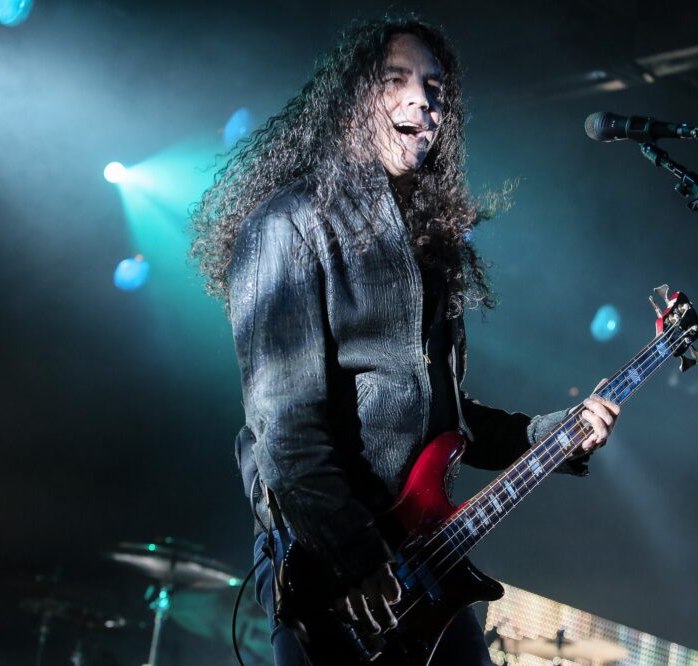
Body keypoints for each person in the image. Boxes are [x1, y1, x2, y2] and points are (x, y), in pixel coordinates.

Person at [191, 15, 620, 665]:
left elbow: (446, 421)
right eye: (396, 80)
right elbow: (285, 428)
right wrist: (357, 556)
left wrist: (555, 435)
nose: (423, 100)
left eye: (435, 88)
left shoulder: (426, 252)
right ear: (350, 100)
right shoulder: (288, 225)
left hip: (422, 564)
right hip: (333, 567)